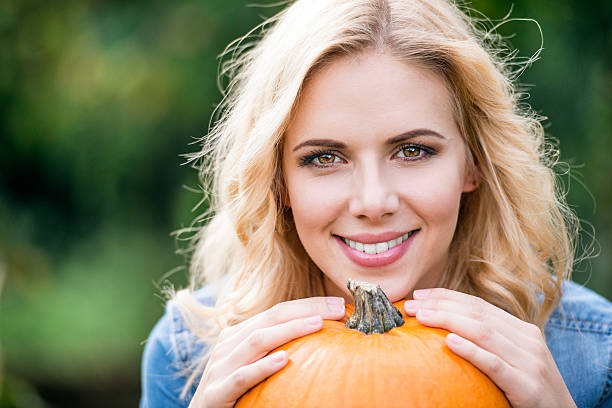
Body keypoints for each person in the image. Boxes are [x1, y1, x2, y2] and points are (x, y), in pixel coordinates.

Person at [139, 0, 612, 407]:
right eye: (324, 157)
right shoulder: (190, 356)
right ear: (278, 181)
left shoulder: (591, 354)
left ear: (474, 163)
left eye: (413, 151)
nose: (373, 202)